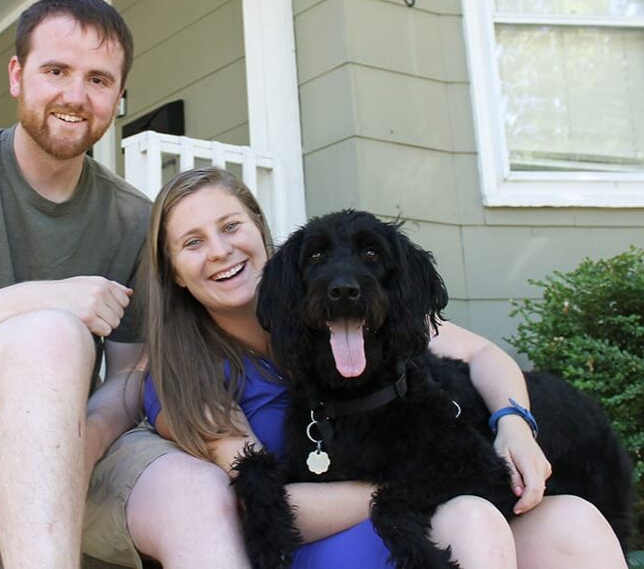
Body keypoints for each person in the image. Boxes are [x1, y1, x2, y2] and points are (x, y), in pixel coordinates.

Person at [0, 0, 244, 568]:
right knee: (52, 335)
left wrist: (86, 437)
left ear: (118, 96)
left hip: (73, 439)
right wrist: (35, 299)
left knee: (201, 494)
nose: (75, 95)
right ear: (17, 75)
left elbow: (133, 373)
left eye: (98, 79)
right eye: (56, 71)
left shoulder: (133, 217)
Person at [140, 166, 628, 568]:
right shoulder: (189, 373)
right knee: (471, 519)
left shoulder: (375, 320)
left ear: (260, 232)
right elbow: (260, 503)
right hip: (340, 535)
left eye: (229, 227)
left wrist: (514, 424)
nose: (221, 251)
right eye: (193, 242)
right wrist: (407, 488)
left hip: (430, 507)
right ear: (174, 273)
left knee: (575, 522)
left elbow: (482, 355)